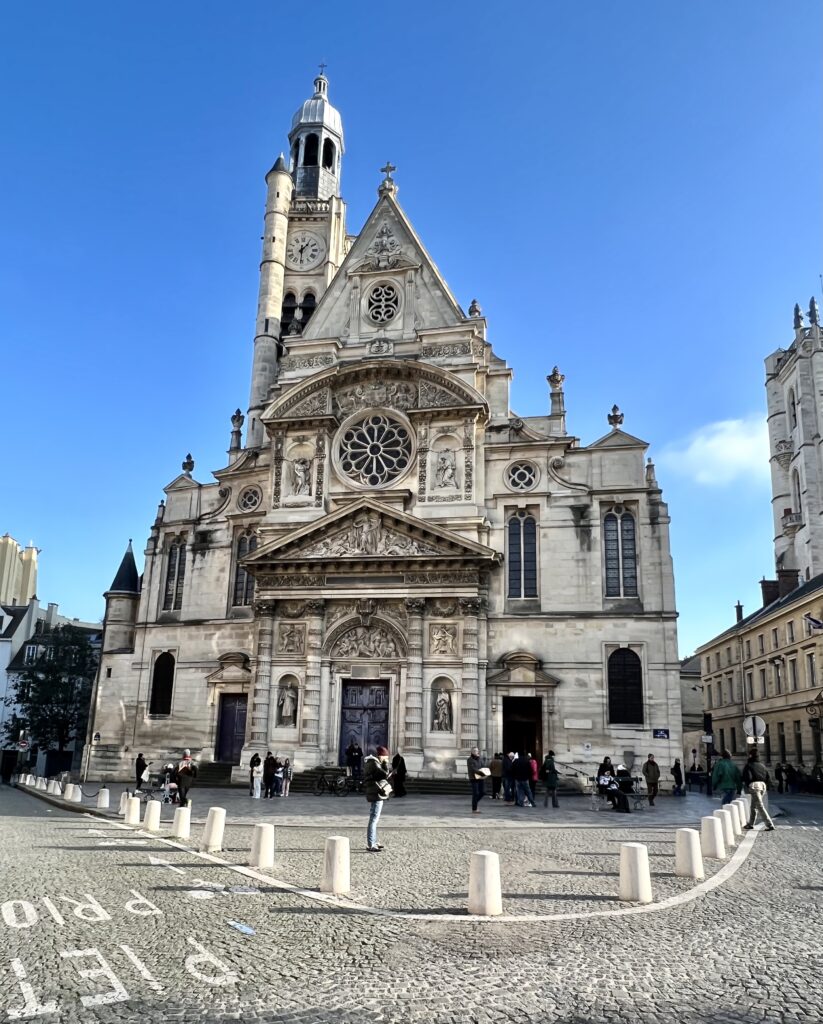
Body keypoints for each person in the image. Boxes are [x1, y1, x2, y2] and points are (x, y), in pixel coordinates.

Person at [364, 745, 393, 851]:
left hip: (374, 792)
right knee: (374, 819)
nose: (387, 759)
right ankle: (371, 844)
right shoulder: (374, 763)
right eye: (386, 757)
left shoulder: (371, 762)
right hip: (376, 793)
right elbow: (384, 774)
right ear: (381, 756)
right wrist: (385, 764)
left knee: (374, 818)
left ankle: (373, 841)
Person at [742, 750, 775, 831]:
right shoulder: (762, 765)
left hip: (754, 786)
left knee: (759, 806)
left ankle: (770, 824)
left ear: (750, 756)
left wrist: (748, 785)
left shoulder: (749, 765)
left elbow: (747, 777)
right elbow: (768, 777)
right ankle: (750, 824)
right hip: (763, 785)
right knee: (753, 806)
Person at [467, 747, 487, 813]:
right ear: (472, 752)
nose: (477, 752)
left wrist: (485, 772)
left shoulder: (480, 759)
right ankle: (474, 809)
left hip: (480, 777)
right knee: (476, 793)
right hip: (474, 778)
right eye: (475, 751)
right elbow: (473, 769)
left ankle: (474, 802)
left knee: (483, 792)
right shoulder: (470, 759)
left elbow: (483, 766)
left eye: (477, 751)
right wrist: (481, 772)